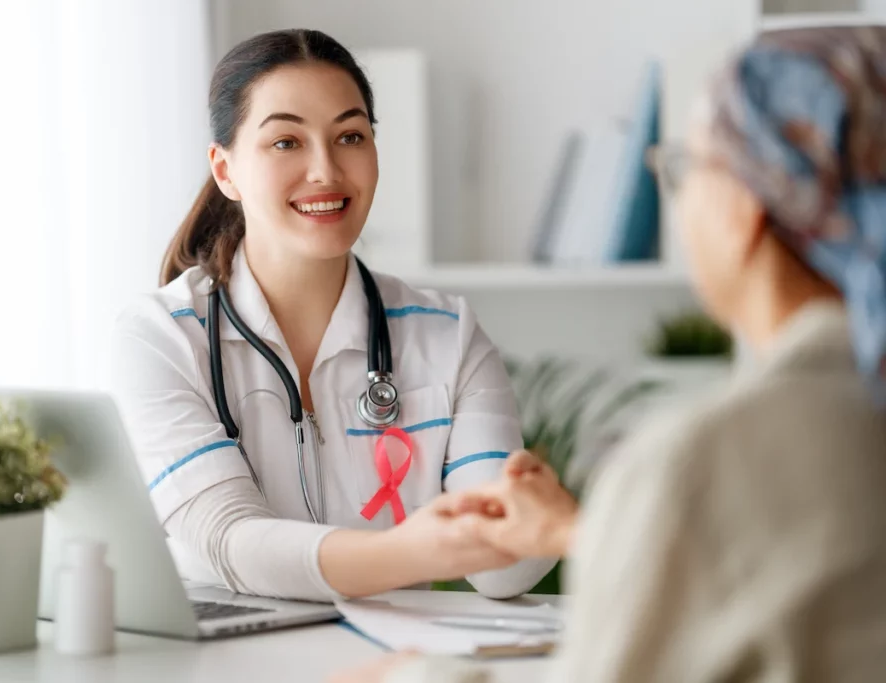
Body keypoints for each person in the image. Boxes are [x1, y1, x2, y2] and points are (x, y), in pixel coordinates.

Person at [334, 25, 886, 683]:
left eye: (686, 170)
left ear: (742, 211)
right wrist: (599, 536)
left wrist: (416, 677)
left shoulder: (698, 465)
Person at [108, 28, 555, 603]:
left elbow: (501, 570)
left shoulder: (448, 335)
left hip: (390, 661)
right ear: (225, 170)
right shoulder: (161, 335)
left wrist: (530, 521)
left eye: (349, 136)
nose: (325, 170)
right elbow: (226, 537)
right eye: (286, 143)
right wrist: (413, 551)